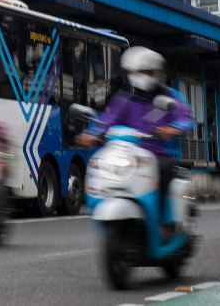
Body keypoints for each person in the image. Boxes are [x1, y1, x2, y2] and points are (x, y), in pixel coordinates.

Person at [77, 46, 193, 238]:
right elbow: (107, 122)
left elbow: (185, 118)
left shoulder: (169, 98)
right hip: (130, 156)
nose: (139, 75)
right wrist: (91, 135)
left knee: (163, 171)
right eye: (134, 72)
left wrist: (172, 130)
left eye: (144, 71)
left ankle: (165, 224)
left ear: (156, 73)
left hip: (159, 156)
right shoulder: (125, 101)